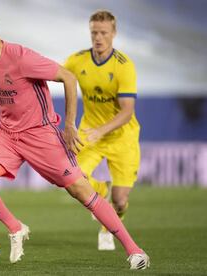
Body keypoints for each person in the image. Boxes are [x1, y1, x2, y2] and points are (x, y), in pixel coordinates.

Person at [0, 14, 149, 269]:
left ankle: (134, 251)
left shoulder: (22, 57)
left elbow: (68, 79)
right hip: (7, 135)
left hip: (41, 136)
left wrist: (69, 126)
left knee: (81, 191)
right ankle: (16, 228)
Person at [63, 10, 141, 251]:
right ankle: (100, 190)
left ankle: (109, 224)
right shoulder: (77, 60)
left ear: (113, 33)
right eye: (94, 32)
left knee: (120, 200)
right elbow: (50, 75)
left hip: (122, 137)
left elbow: (127, 111)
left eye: (103, 33)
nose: (98, 37)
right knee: (71, 178)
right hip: (89, 134)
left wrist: (102, 130)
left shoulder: (124, 66)